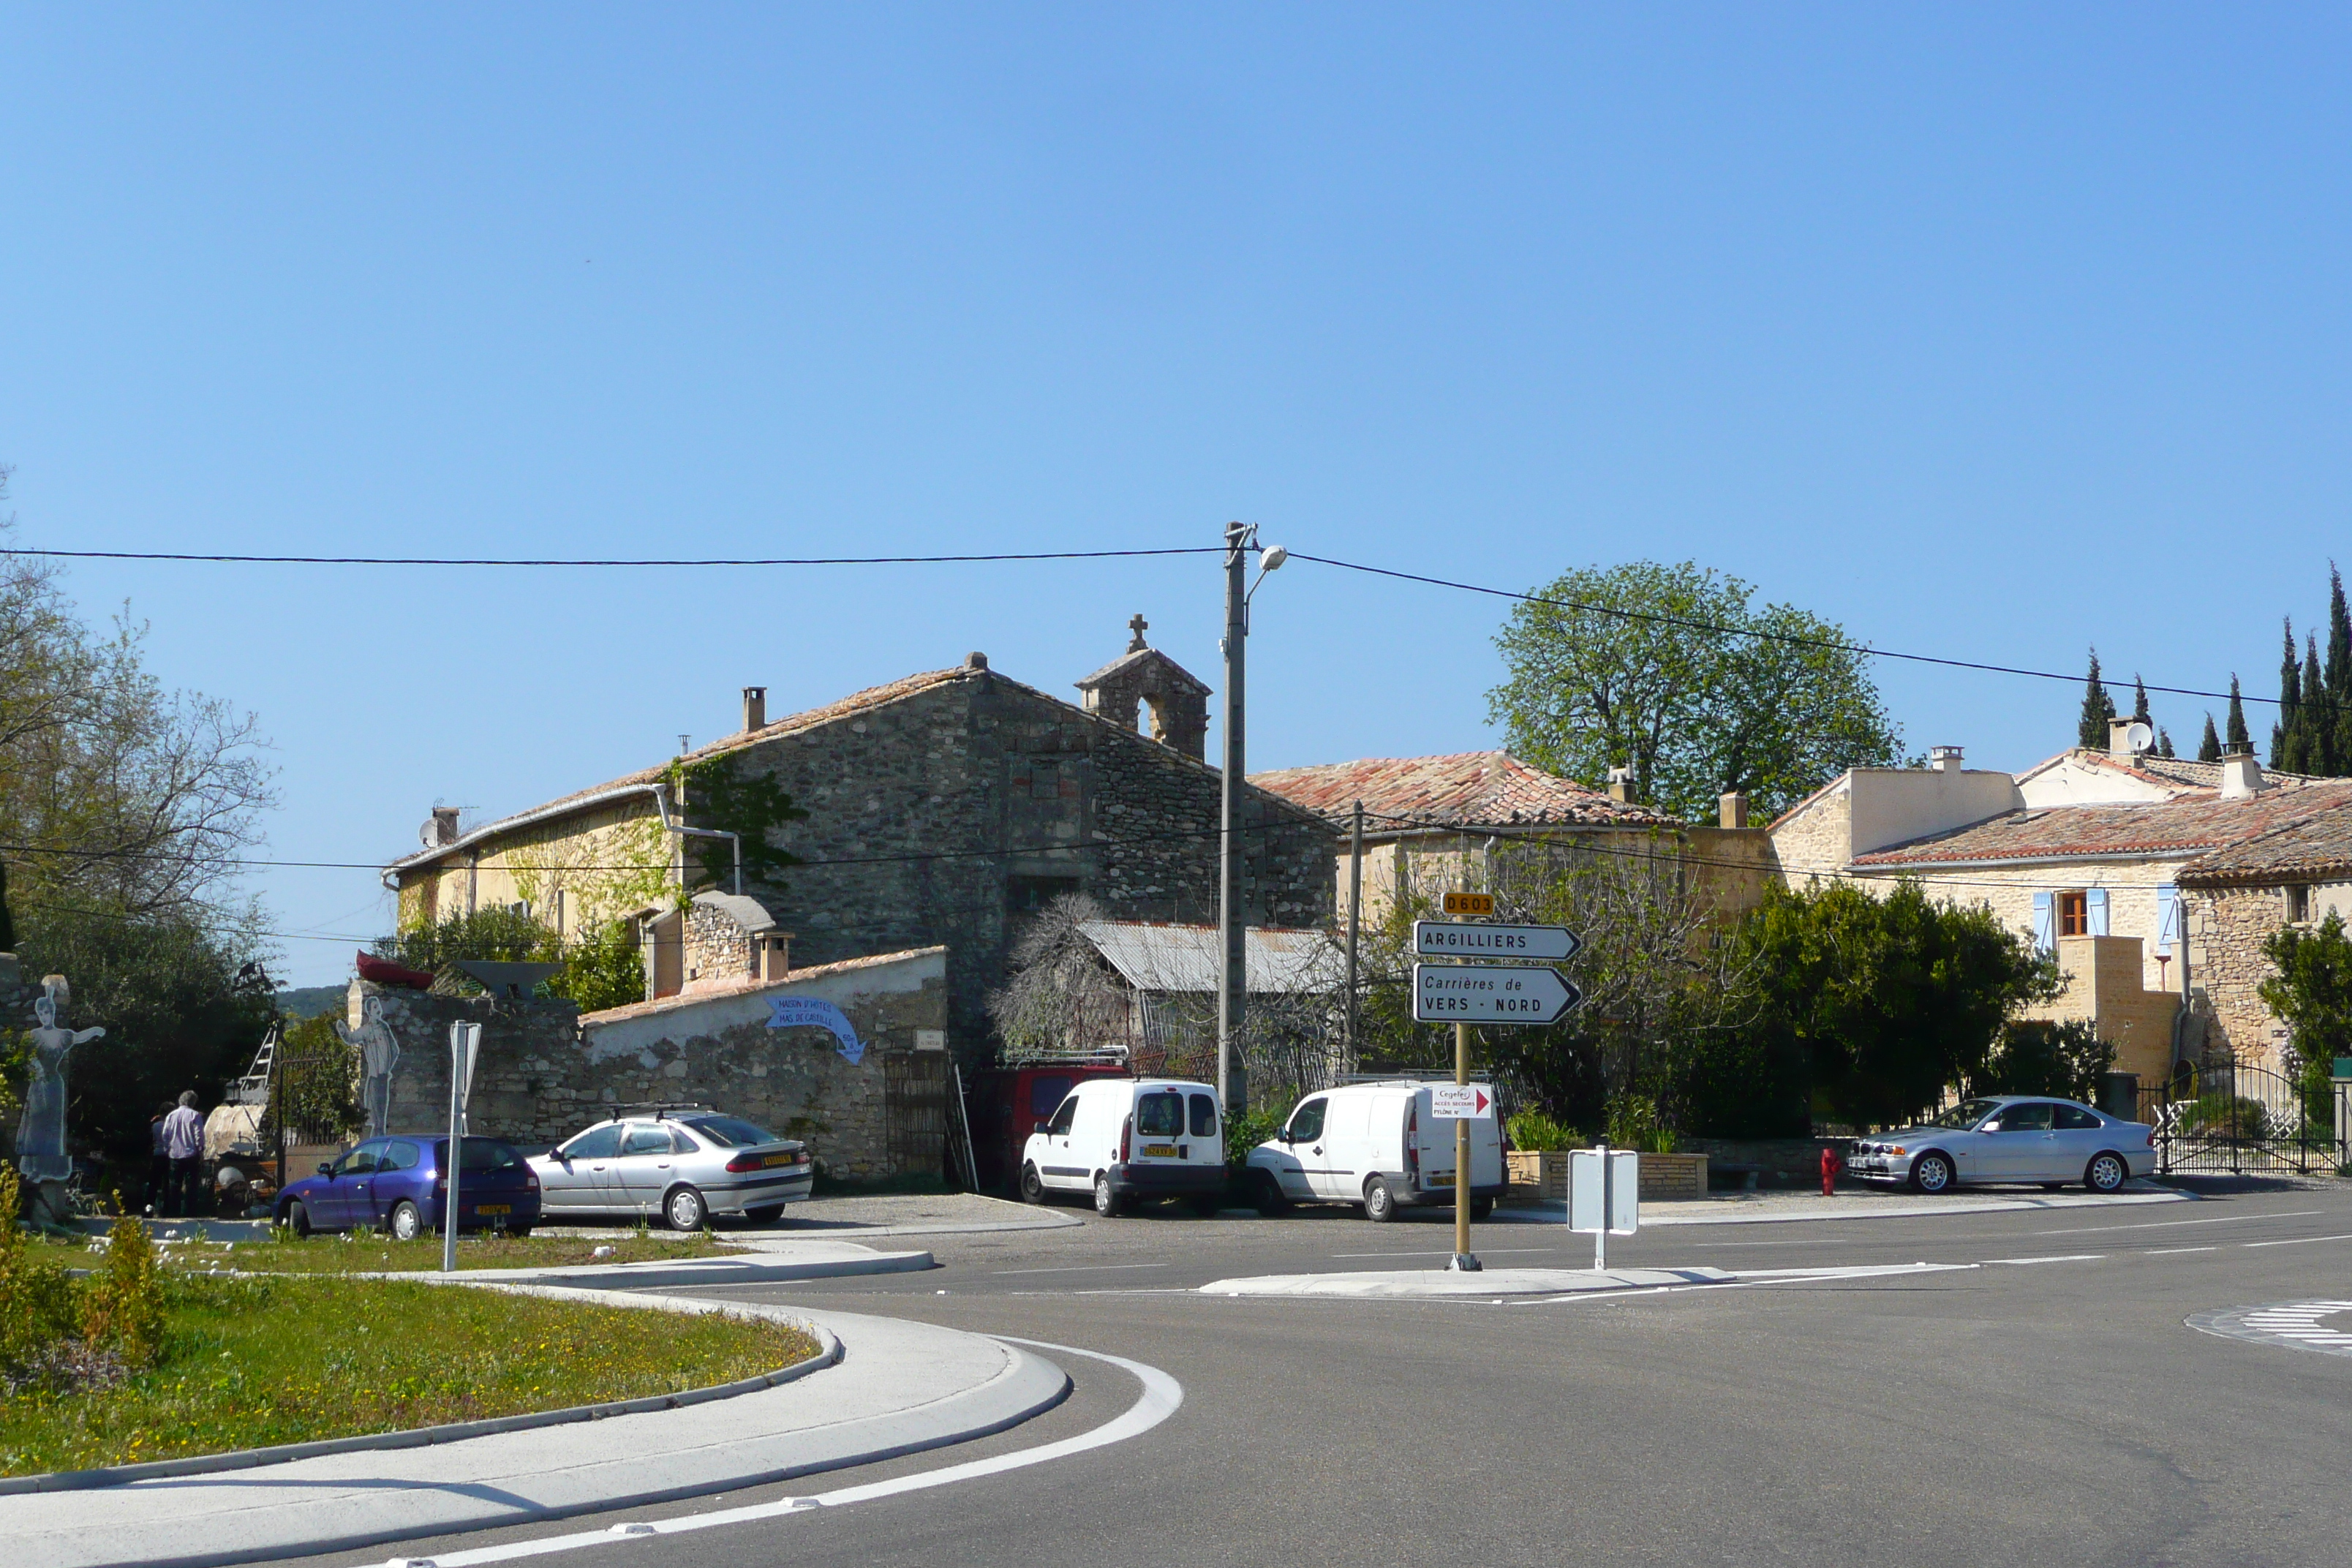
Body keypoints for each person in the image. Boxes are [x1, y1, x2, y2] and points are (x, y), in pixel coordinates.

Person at [161, 1090, 205, 1218]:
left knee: (174, 1185)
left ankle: (173, 1212)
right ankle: (189, 1212)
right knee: (191, 1185)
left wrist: (167, 1148)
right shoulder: (195, 1115)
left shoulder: (171, 1116)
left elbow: (165, 1134)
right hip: (191, 1154)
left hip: (175, 1154)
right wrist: (200, 1150)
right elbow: (199, 1135)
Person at [146, 1102, 174, 1215]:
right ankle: (166, 1210)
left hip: (157, 1155)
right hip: (169, 1155)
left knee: (153, 1184)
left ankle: (148, 1208)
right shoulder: (172, 1125)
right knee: (168, 1184)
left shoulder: (155, 1125)